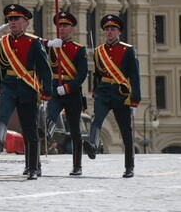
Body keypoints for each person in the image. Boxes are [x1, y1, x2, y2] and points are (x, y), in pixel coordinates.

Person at [0, 4, 52, 180]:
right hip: (8, 86)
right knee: (3, 113)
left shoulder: (34, 42)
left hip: (27, 87)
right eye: (10, 20)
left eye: (16, 20)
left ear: (25, 23)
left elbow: (45, 69)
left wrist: (47, 91)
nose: (12, 23)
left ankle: (32, 166)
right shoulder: (3, 42)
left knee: (29, 128)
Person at [83, 14, 141, 178]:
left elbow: (135, 76)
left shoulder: (128, 50)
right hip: (103, 92)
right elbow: (98, 73)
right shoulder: (98, 51)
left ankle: (129, 166)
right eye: (107, 29)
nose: (109, 32)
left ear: (119, 32)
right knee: (96, 119)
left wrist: (135, 99)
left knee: (125, 131)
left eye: (112, 29)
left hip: (121, 94)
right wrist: (95, 90)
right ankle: (93, 145)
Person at [42, 11, 88, 176]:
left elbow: (82, 74)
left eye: (65, 25)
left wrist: (68, 87)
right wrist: (49, 43)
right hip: (55, 88)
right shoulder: (53, 47)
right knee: (52, 113)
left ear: (72, 28)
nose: (62, 28)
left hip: (72, 92)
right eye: (60, 25)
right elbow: (35, 44)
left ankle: (77, 165)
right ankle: (47, 132)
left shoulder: (79, 49)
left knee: (75, 129)